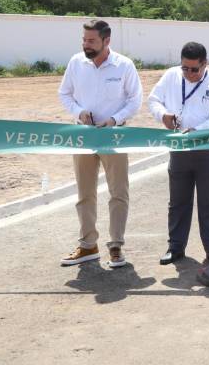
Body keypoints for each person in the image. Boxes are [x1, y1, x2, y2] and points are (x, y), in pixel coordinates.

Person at [58, 19, 143, 268]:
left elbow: (135, 100)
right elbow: (64, 93)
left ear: (107, 41)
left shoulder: (124, 65)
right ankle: (88, 246)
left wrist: (115, 120)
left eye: (92, 41)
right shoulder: (76, 62)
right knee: (84, 193)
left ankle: (116, 246)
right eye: (84, 40)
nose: (86, 45)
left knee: (118, 192)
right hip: (83, 136)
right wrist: (79, 111)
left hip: (114, 137)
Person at [147, 42, 209, 266]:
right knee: (178, 202)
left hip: (208, 149)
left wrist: (198, 131)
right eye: (185, 68)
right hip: (180, 149)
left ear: (206, 64)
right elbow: (153, 100)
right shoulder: (171, 77)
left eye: (195, 69)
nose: (189, 74)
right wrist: (163, 115)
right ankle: (175, 248)